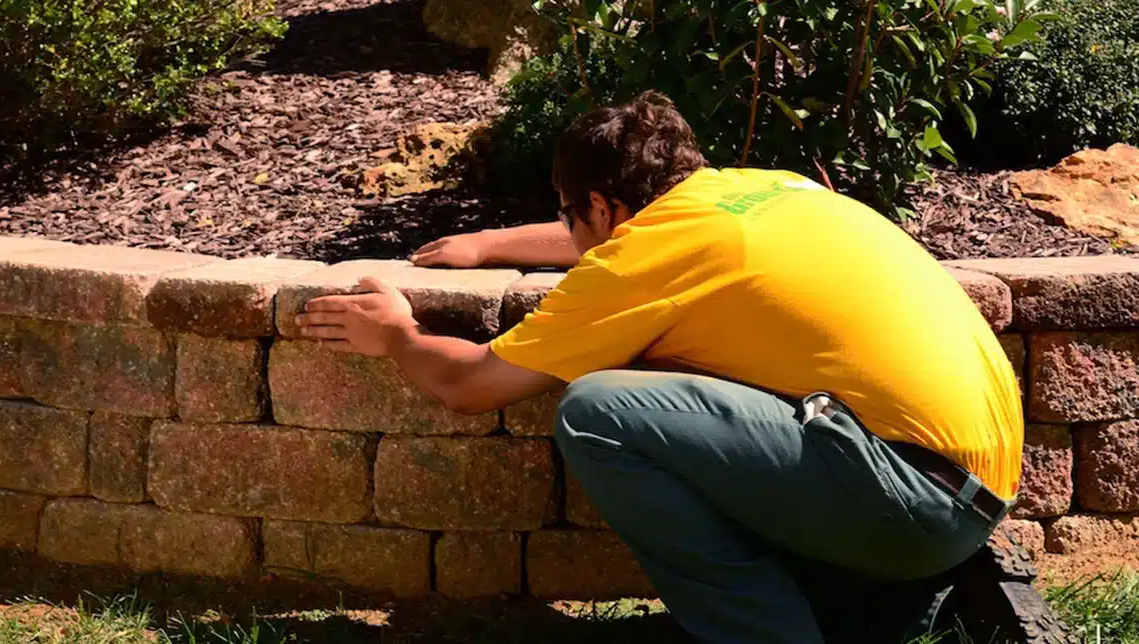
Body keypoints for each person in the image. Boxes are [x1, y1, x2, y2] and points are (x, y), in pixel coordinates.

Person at [296, 91, 1058, 643]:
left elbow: (468, 385)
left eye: (568, 214)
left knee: (599, 413)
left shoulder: (647, 255)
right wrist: (490, 243)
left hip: (909, 508)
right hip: (973, 493)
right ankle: (867, 611)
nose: (570, 232)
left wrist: (396, 334)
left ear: (599, 206)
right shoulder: (768, 189)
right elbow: (627, 239)